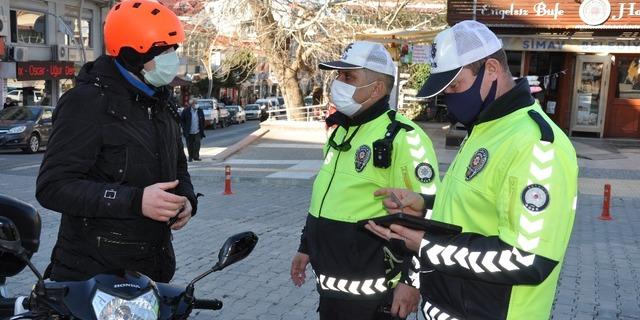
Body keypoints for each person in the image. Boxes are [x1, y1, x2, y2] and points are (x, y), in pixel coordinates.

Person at [365, 20, 578, 320]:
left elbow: (529, 259)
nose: (451, 97)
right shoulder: (484, 128)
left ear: (491, 70)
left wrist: (426, 246)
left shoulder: (537, 145)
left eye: (456, 85)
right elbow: (480, 211)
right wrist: (424, 206)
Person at [36, 0, 196, 283]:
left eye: (174, 49)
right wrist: (135, 201)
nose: (172, 58)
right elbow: (53, 187)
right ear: (132, 54)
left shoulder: (161, 100)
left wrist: (187, 200)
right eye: (163, 51)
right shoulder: (86, 103)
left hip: (152, 271)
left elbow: (178, 166)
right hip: (92, 276)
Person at [290, 41, 440, 320]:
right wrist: (305, 247)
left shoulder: (404, 137)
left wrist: (412, 283)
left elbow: (429, 217)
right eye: (339, 76)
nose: (339, 82)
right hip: (331, 293)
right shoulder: (340, 132)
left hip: (375, 301)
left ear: (376, 89)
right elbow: (324, 198)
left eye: (349, 77)